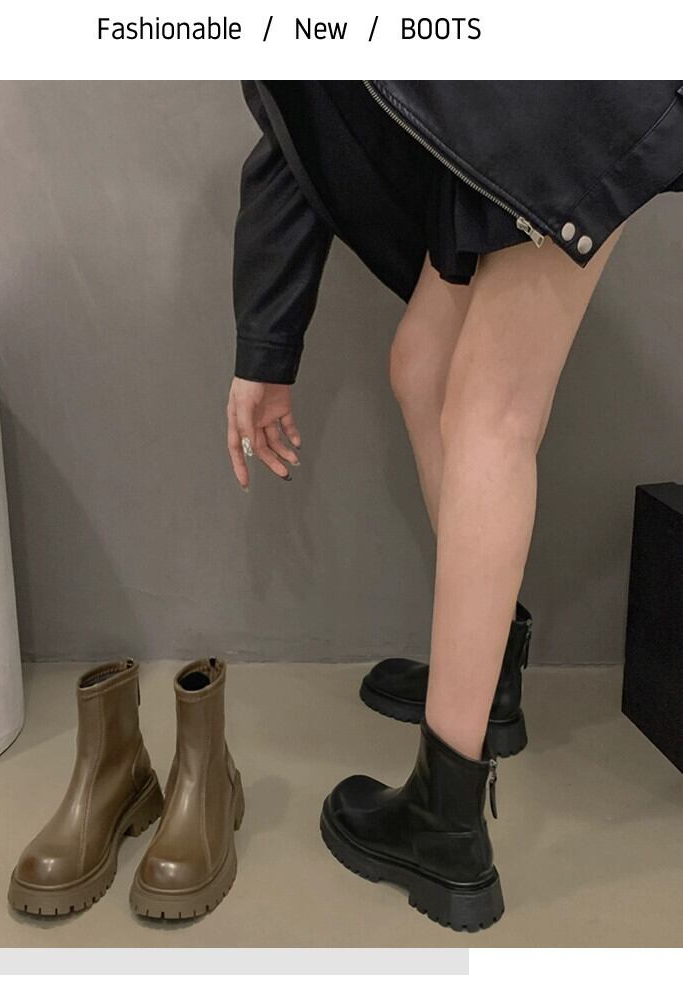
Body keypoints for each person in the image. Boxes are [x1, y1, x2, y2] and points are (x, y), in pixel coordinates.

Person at [225, 81, 683, 931]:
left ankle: (445, 822)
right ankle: (489, 676)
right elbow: (302, 121)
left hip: (558, 93)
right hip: (507, 108)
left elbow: (293, 127)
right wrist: (266, 348)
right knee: (424, 366)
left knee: (491, 416)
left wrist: (263, 351)